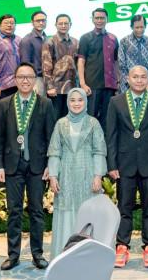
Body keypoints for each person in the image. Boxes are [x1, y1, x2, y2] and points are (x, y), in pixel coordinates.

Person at [106, 66, 148, 269]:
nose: (139, 80)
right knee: (124, 208)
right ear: (128, 79)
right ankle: (122, 246)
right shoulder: (116, 102)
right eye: (135, 77)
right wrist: (112, 164)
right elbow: (111, 136)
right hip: (124, 165)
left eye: (143, 77)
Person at [0, 62, 57, 270]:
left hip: (37, 166)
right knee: (14, 211)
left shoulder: (45, 104)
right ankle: (13, 255)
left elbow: (51, 137)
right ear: (15, 79)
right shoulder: (5, 104)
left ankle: (37, 254)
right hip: (12, 166)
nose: (25, 80)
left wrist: (50, 164)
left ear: (34, 80)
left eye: (29, 77)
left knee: (37, 211)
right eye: (21, 77)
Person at [47, 88, 107, 258]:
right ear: (68, 103)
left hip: (88, 175)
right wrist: (53, 176)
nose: (76, 103)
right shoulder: (61, 124)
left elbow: (99, 151)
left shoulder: (93, 123)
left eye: (80, 100)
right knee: (66, 213)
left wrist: (98, 176)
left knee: (87, 214)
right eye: (72, 100)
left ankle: (88, 257)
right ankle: (64, 256)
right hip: (66, 176)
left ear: (85, 102)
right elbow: (55, 152)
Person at [77, 8, 119, 128]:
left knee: (108, 119)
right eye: (97, 18)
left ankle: (105, 140)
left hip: (109, 86)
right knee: (91, 118)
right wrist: (82, 83)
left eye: (102, 18)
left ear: (107, 19)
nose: (99, 20)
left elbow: (116, 61)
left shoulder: (113, 38)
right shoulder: (85, 38)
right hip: (92, 85)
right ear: (93, 20)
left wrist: (118, 80)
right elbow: (81, 61)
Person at [42, 14, 79, 117]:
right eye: (60, 23)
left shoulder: (76, 42)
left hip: (73, 87)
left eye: (66, 23)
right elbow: (46, 66)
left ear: (70, 25)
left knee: (71, 117)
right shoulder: (49, 42)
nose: (63, 26)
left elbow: (78, 65)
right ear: (56, 25)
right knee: (55, 118)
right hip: (56, 89)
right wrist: (49, 87)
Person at [0, 14, 22, 117]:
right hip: (1, 87)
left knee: (15, 116)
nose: (9, 25)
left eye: (12, 23)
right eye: (6, 23)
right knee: (1, 116)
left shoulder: (19, 39)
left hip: (16, 85)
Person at [117, 15, 148, 93]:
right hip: (128, 86)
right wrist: (130, 82)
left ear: (145, 26)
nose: (139, 30)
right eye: (137, 27)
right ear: (131, 27)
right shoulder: (124, 42)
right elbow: (121, 65)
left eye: (142, 27)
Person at [21, 10, 49, 96]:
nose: (41, 23)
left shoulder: (46, 38)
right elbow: (25, 64)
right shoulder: (27, 40)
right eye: (38, 21)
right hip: (36, 79)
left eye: (43, 20)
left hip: (48, 78)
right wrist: (31, 82)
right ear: (32, 22)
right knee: (38, 102)